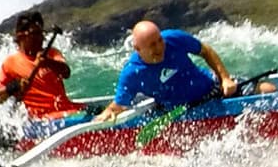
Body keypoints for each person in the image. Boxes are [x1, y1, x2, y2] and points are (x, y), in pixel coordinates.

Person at [98, 21, 254, 119]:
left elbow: (206, 51)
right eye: (152, 45)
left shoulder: (174, 38)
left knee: (268, 89)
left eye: (159, 40)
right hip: (182, 112)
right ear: (138, 48)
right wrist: (109, 111)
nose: (159, 47)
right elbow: (119, 104)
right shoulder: (132, 73)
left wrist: (225, 78)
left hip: (213, 89)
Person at [0, 11, 81, 118]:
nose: (41, 38)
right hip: (42, 121)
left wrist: (48, 62)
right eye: (35, 34)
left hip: (68, 111)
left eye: (41, 33)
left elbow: (66, 72)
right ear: (20, 35)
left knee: (100, 112)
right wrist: (13, 87)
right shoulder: (10, 63)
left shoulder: (52, 53)